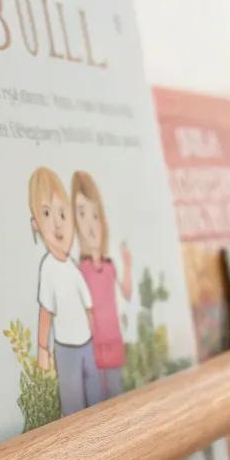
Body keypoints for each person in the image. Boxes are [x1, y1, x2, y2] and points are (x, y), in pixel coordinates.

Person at [29, 166, 96, 416]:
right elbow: (46, 312)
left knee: (96, 399)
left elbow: (88, 305)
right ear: (36, 224)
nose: (58, 224)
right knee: (73, 408)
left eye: (62, 214)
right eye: (47, 213)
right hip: (66, 349)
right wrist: (42, 349)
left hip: (87, 344)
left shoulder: (72, 266)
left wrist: (94, 330)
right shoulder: (48, 269)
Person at [71, 169, 132, 402]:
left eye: (95, 215)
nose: (90, 224)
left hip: (114, 340)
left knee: (117, 394)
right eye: (82, 214)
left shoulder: (110, 265)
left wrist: (127, 264)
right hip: (93, 346)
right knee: (96, 399)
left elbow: (126, 292)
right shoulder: (80, 268)